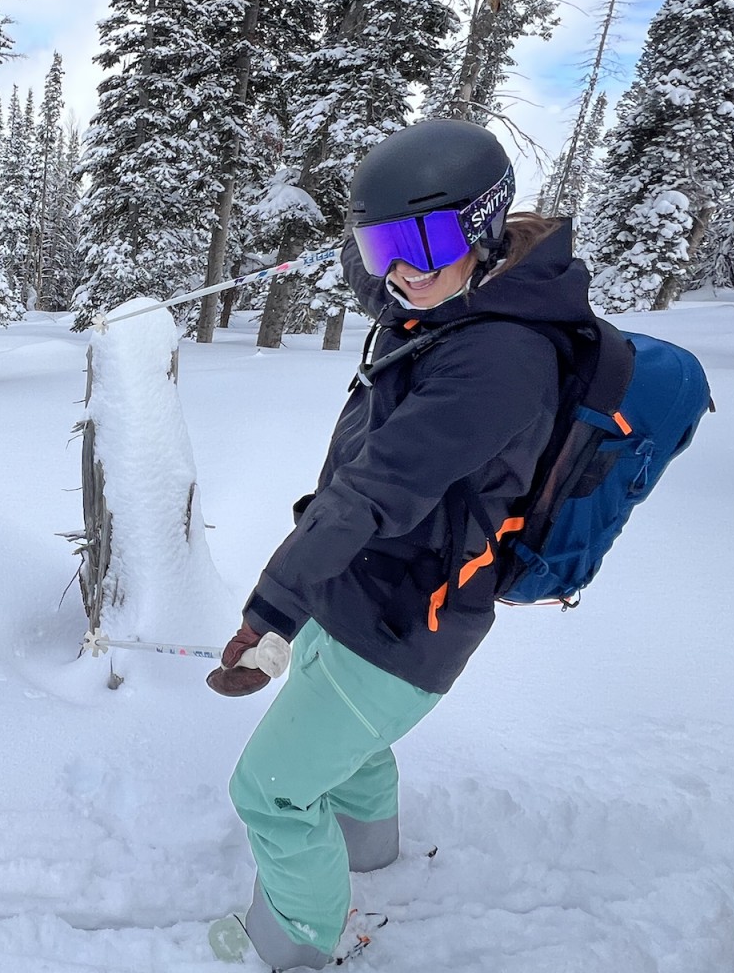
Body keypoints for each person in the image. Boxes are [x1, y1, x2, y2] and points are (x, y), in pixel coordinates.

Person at [207, 118, 597, 970]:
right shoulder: (453, 299)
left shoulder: (500, 359)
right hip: (369, 591)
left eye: (418, 242)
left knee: (269, 792)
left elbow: (374, 492)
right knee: (352, 750)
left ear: (486, 226)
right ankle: (372, 861)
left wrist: (272, 611)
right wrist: (369, 245)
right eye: (381, 244)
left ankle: (296, 948)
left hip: (402, 622)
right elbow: (385, 282)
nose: (399, 272)